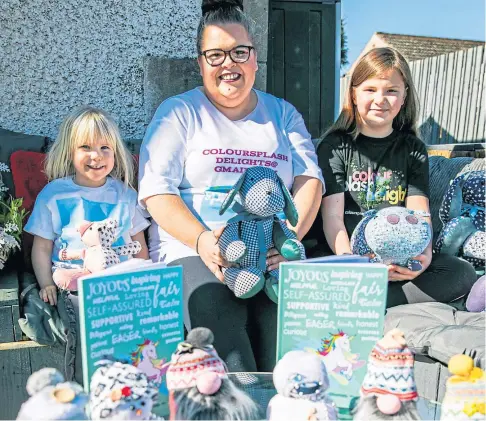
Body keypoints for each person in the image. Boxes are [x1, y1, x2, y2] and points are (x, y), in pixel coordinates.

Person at [138, 0, 324, 372]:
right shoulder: (179, 112)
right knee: (217, 313)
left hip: (270, 248)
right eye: (215, 54)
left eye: (239, 52)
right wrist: (205, 242)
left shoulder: (283, 114)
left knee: (285, 328)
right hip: (193, 249)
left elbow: (309, 181)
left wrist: (286, 239)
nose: (229, 64)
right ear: (200, 62)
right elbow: (156, 192)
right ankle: (243, 402)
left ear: (255, 58)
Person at [306, 47, 476, 308]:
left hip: (398, 259)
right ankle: (362, 298)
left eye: (391, 91)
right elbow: (332, 219)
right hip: (345, 259)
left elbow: (420, 215)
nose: (380, 99)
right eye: (370, 89)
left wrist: (422, 260)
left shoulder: (412, 148)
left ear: (404, 95)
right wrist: (354, 265)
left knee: (461, 273)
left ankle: (365, 304)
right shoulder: (334, 146)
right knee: (310, 268)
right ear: (353, 92)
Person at [25, 105, 150, 306]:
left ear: (115, 152)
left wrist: (144, 279)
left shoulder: (125, 194)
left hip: (120, 282)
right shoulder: (53, 195)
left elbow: (139, 244)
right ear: (69, 151)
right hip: (73, 283)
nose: (96, 156)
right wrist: (46, 283)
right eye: (86, 147)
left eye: (105, 148)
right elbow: (42, 247)